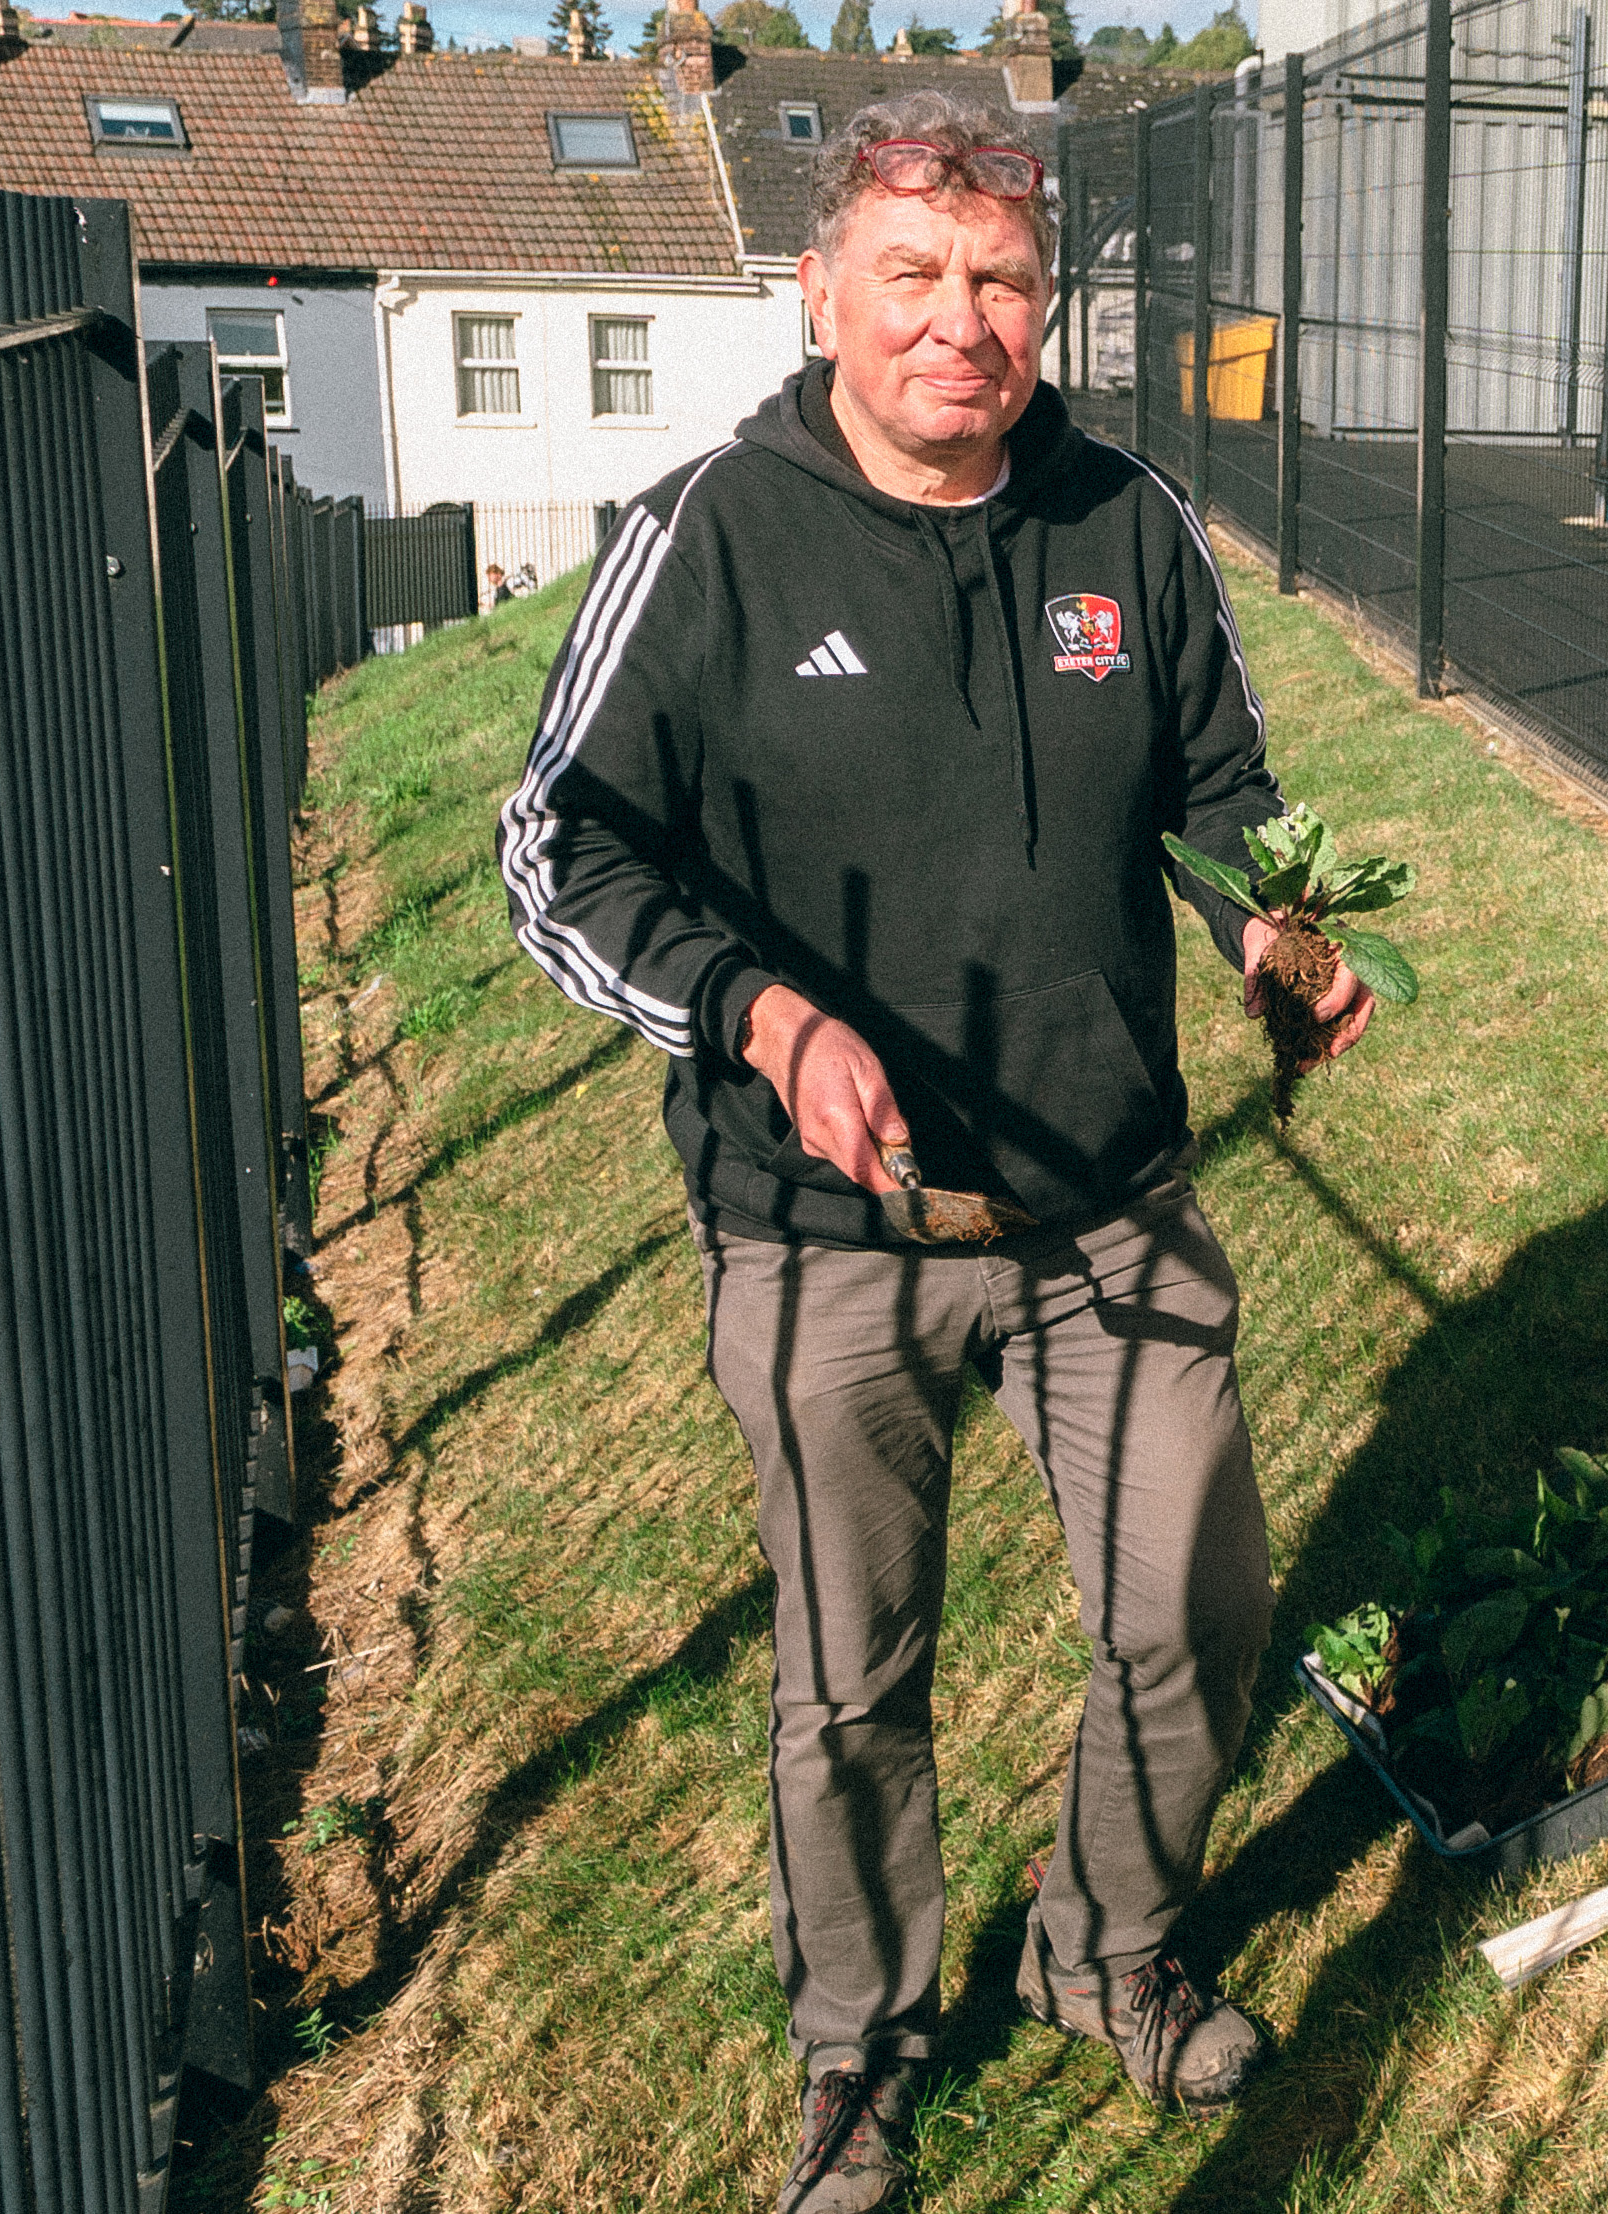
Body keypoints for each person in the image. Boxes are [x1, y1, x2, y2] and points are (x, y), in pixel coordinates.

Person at [495, 88, 1372, 2214]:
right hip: (826, 1239)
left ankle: (1105, 1948)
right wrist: (760, 1014)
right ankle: (861, 2053)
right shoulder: (702, 535)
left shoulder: (1127, 521)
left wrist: (1268, 909)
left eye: (998, 280)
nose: (957, 323)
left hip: (1109, 1206)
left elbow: (1214, 781)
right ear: (820, 292)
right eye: (912, 274)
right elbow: (555, 852)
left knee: (1195, 1608)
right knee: (850, 1684)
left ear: (1041, 306)